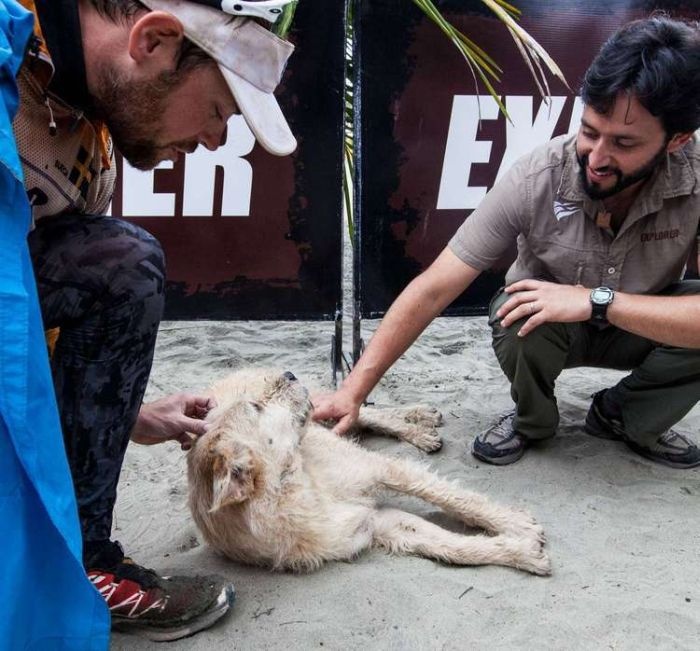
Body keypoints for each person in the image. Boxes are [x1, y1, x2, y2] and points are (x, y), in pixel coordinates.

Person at [6, 0, 297, 643]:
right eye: (220, 109)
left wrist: (126, 414)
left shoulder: (93, 124)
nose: (218, 139)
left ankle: (82, 564)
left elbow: (37, 306)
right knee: (124, 263)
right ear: (155, 40)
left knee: (114, 266)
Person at [313, 15, 700, 470]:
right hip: (546, 331)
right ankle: (532, 421)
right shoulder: (536, 176)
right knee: (515, 312)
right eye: (590, 132)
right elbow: (435, 287)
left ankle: (625, 415)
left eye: (623, 143)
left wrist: (596, 301)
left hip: (640, 324)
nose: (596, 158)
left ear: (677, 140)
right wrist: (351, 394)